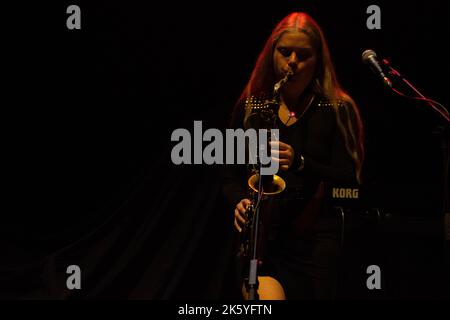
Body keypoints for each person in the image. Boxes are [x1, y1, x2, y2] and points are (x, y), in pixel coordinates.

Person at [223, 12, 365, 300]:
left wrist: (301, 163)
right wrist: (239, 199)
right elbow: (228, 175)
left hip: (315, 242)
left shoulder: (337, 107)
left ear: (318, 60)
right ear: (271, 54)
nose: (292, 62)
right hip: (264, 241)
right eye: (284, 52)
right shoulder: (252, 105)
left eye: (303, 55)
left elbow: (351, 177)